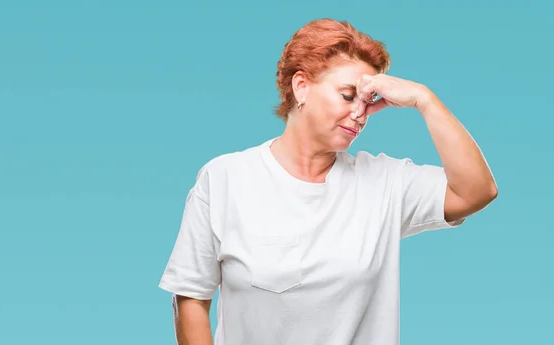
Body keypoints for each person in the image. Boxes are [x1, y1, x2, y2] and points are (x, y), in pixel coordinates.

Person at [158, 18, 497, 345]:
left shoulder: (385, 182)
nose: (360, 114)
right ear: (301, 86)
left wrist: (425, 99)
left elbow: (477, 191)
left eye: (368, 101)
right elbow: (190, 298)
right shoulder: (225, 179)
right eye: (349, 95)